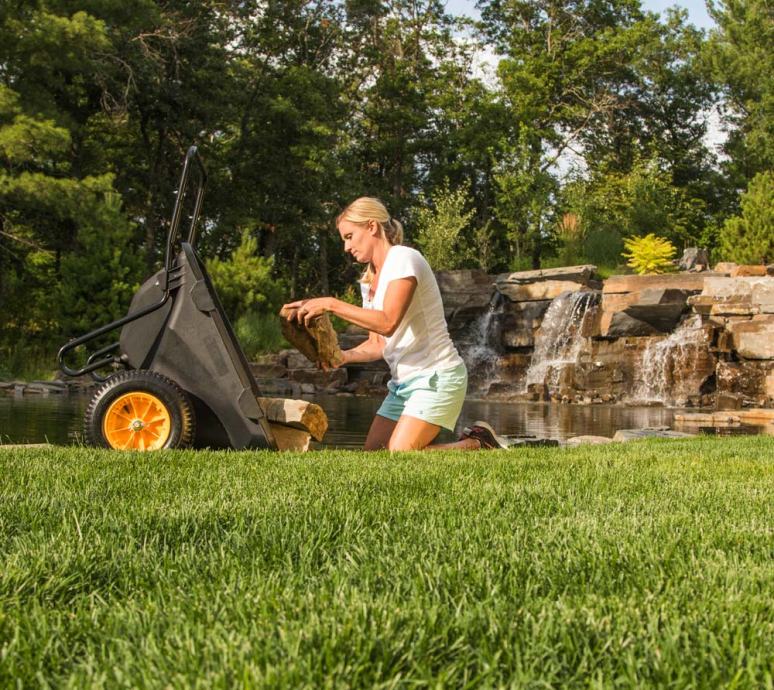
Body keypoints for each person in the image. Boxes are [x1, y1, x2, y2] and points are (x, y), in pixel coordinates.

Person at [282, 196, 507, 451]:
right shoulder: (368, 281)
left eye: (349, 237)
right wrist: (341, 357)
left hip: (436, 377)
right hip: (402, 385)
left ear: (371, 226)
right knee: (374, 454)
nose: (346, 247)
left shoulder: (404, 259)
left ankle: (478, 443)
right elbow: (378, 344)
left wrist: (331, 304)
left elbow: (388, 322)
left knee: (400, 454)